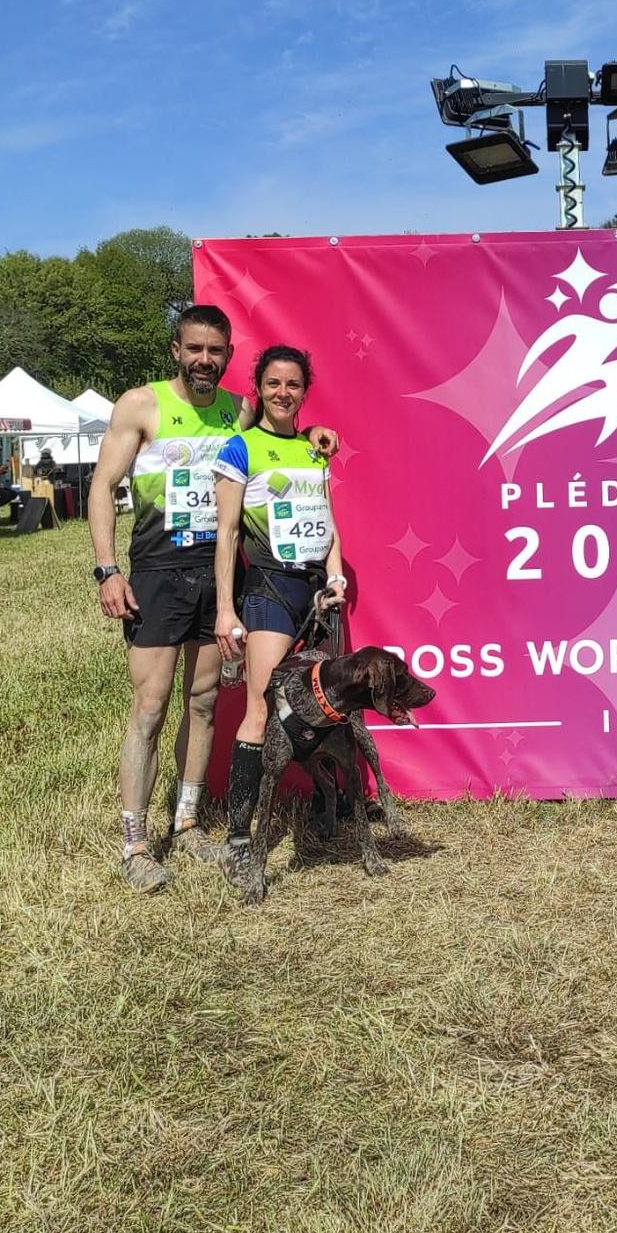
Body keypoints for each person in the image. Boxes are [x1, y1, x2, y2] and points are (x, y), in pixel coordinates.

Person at [88, 306, 336, 892]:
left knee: (202, 704)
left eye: (215, 351)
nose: (205, 360)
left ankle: (189, 821)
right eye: (194, 348)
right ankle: (135, 842)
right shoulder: (140, 405)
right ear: (176, 349)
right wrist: (107, 569)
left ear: (227, 355)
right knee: (149, 708)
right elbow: (101, 485)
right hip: (155, 573)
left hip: (217, 574)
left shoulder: (237, 409)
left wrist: (314, 435)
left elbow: (272, 441)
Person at [212, 345, 348, 872]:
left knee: (322, 708)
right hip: (268, 590)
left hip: (316, 595)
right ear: (259, 388)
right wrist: (226, 609)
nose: (282, 393)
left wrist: (336, 576)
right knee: (263, 711)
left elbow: (327, 520)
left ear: (303, 391)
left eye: (292, 385)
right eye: (273, 384)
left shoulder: (316, 449)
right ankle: (242, 837)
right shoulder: (241, 447)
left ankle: (325, 802)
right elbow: (226, 534)